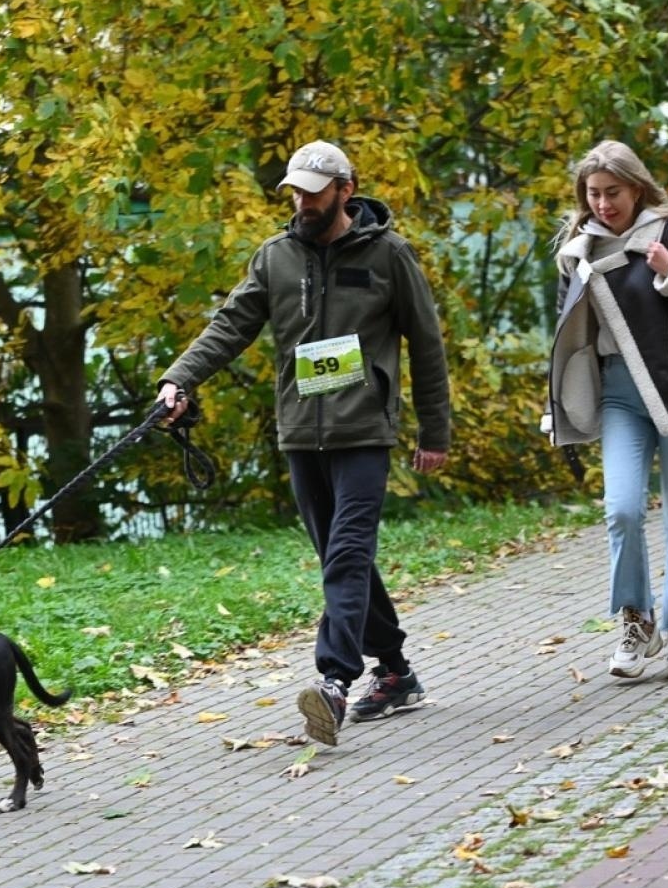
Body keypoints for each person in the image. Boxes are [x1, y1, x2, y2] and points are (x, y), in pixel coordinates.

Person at [155, 139, 451, 746]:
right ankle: (396, 672)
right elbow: (230, 326)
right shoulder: (276, 258)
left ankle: (334, 682)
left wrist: (434, 431)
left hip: (364, 429)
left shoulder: (389, 255)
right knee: (343, 559)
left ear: (345, 190)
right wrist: (179, 379)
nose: (303, 203)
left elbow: (426, 344)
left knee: (347, 553)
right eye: (295, 193)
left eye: (314, 193)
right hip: (300, 431)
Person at [546, 139, 668, 681]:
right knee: (621, 510)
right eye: (593, 194)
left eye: (613, 192)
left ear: (636, 188)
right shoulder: (579, 251)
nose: (603, 204)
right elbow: (569, 337)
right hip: (619, 394)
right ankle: (638, 619)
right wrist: (558, 402)